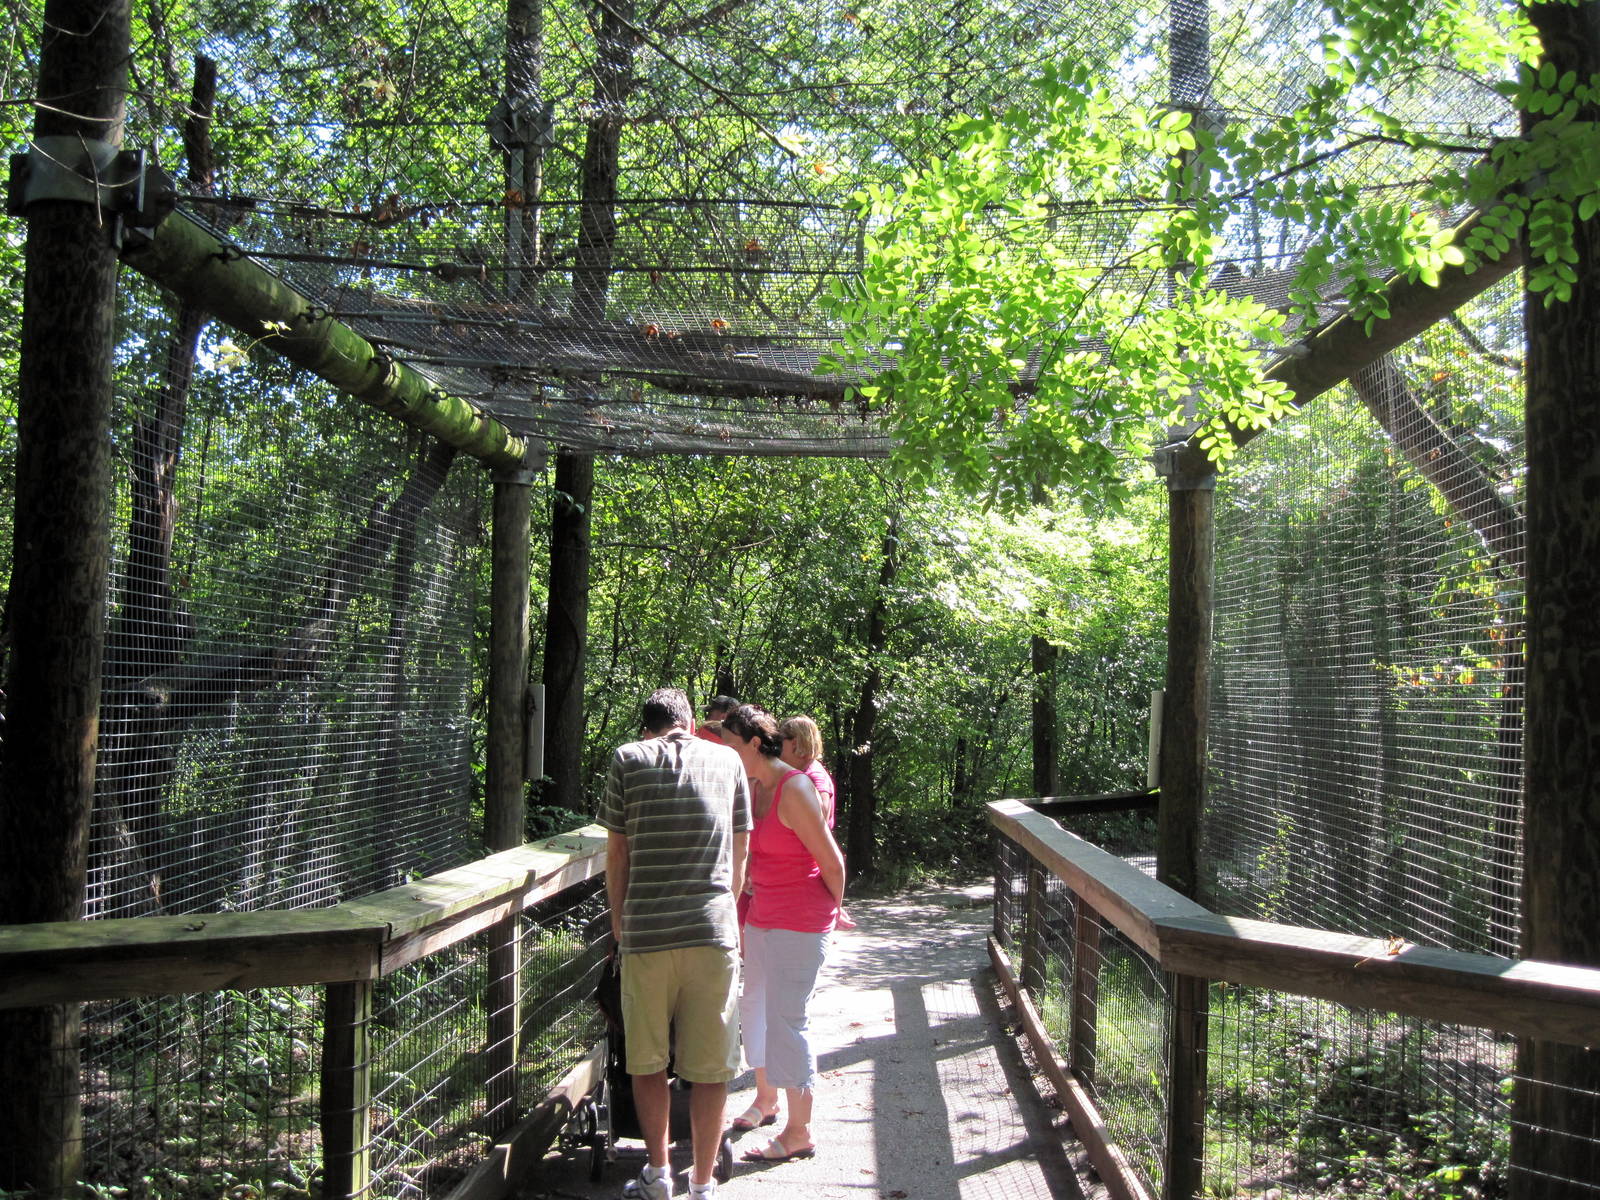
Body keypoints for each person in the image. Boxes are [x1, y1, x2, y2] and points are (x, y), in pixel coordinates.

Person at [599, 687, 752, 1200]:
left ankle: (659, 1175)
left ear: (648, 728)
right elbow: (739, 852)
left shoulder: (628, 759)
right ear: (690, 723)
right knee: (711, 1068)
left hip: (647, 934)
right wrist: (721, 914)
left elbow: (616, 857)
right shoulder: (729, 760)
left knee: (647, 1062)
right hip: (713, 933)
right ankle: (704, 1183)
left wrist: (621, 927)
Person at [719, 704, 846, 1165]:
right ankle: (767, 1099)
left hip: (801, 920)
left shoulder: (795, 789)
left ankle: (799, 1131)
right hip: (764, 915)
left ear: (754, 744)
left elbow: (832, 863)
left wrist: (832, 913)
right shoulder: (754, 785)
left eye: (731, 744)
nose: (726, 752)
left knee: (788, 1020)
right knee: (756, 1009)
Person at [778, 714, 835, 826]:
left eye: (779, 741)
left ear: (794, 743)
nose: (777, 747)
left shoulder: (815, 775)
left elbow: (822, 819)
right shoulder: (799, 771)